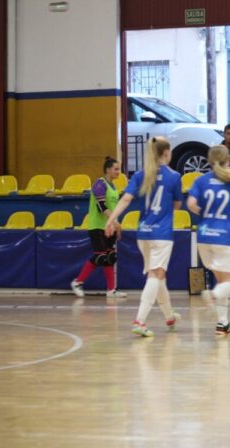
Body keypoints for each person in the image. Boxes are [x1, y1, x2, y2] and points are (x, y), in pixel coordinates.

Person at [105, 137, 183, 337]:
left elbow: (125, 199)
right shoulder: (174, 176)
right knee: (155, 275)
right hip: (162, 234)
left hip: (144, 233)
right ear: (166, 153)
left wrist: (111, 220)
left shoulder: (140, 175)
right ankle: (140, 320)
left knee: (159, 277)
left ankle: (169, 317)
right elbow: (177, 205)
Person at [188, 145, 230, 335]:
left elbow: (190, 204)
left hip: (204, 236)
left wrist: (205, 215)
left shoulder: (201, 180)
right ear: (228, 159)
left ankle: (222, 324)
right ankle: (212, 296)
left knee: (221, 279)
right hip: (224, 235)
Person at [71, 156, 127, 298]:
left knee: (110, 257)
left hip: (109, 227)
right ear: (108, 169)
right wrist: (114, 222)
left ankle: (111, 290)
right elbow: (101, 206)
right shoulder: (99, 184)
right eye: (116, 169)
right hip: (97, 227)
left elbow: (114, 208)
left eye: (119, 169)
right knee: (100, 257)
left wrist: (115, 225)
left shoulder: (114, 187)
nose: (118, 172)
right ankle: (77, 282)